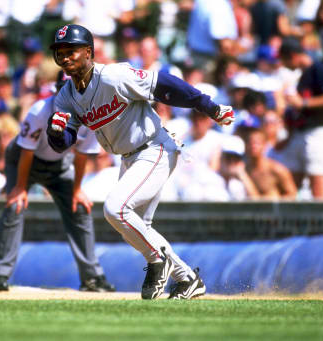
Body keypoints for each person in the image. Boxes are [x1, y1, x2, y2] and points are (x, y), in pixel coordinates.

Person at [46, 25, 235, 300]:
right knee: (136, 227)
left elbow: (165, 86)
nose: (65, 57)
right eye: (59, 53)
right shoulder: (66, 95)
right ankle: (188, 279)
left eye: (71, 51)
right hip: (129, 159)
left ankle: (158, 259)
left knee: (115, 209)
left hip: (154, 147)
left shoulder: (113, 75)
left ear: (88, 52)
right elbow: (63, 142)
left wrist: (209, 107)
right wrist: (55, 132)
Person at [0, 70, 115, 293]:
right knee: (15, 206)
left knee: (80, 209)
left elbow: (81, 155)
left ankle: (92, 277)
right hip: (23, 161)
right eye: (65, 91)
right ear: (57, 91)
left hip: (59, 165)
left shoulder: (92, 116)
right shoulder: (40, 110)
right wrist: (19, 187)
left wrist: (77, 189)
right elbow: (26, 151)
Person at [278, 38, 323, 200]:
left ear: (293, 55)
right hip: (303, 133)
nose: (283, 64)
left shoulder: (319, 69)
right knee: (291, 185)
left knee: (317, 188)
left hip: (319, 134)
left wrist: (303, 103)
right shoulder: (304, 75)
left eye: (283, 59)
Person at [245, 128, 297, 200]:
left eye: (257, 143)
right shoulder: (244, 170)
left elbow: (292, 194)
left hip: (272, 210)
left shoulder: (276, 169)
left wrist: (273, 202)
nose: (253, 146)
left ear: (264, 145)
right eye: (250, 143)